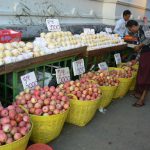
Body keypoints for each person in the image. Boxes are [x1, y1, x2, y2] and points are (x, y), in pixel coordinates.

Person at [126, 20, 150, 107]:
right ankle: (139, 93)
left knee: (146, 77)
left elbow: (149, 38)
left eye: (130, 29)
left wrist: (139, 46)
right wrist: (136, 59)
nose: (130, 31)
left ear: (133, 26)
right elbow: (141, 49)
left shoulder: (145, 27)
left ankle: (142, 99)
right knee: (141, 74)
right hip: (144, 55)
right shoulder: (138, 33)